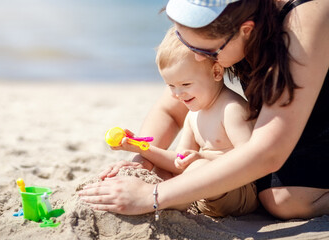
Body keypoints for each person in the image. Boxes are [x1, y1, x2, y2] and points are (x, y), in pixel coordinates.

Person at [79, 0, 329, 220]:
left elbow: (269, 151)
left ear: (246, 30)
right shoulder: (226, 26)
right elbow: (170, 110)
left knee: (286, 201)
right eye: (185, 41)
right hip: (292, 113)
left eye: (205, 51)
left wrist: (153, 196)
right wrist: (141, 162)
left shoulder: (307, 17)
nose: (198, 58)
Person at [106, 26, 258, 217]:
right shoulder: (193, 113)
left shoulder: (231, 109)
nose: (178, 94)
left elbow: (250, 158)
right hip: (204, 189)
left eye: (185, 84)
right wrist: (139, 148)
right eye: (171, 86)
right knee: (162, 169)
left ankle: (170, 200)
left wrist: (202, 159)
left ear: (217, 72)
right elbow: (179, 161)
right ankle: (166, 197)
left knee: (197, 167)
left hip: (236, 190)